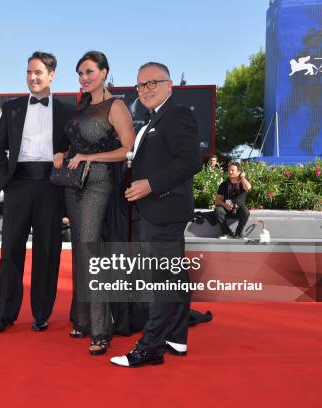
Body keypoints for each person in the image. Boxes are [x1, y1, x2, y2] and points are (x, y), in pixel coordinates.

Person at [110, 62, 202, 368]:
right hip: (159, 210)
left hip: (164, 208)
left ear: (169, 84)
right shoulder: (154, 119)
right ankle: (176, 337)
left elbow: (191, 162)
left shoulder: (177, 114)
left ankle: (150, 347)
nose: (146, 90)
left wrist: (151, 184)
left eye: (153, 83)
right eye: (140, 85)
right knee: (173, 276)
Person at [0, 51, 74, 333]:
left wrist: (65, 155)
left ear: (52, 75)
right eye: (28, 72)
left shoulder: (66, 111)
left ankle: (41, 313)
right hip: (18, 185)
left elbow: (75, 149)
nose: (32, 77)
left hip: (51, 186)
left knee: (47, 251)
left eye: (38, 72)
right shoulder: (11, 107)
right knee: (10, 250)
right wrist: (6, 179)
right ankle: (5, 314)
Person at [64, 51, 135, 355]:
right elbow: (75, 145)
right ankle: (82, 321)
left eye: (90, 71)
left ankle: (101, 329)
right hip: (73, 185)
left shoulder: (115, 105)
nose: (84, 78)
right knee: (80, 250)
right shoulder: (81, 108)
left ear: (104, 72)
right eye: (80, 73)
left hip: (100, 184)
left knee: (93, 251)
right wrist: (62, 153)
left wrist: (90, 157)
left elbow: (128, 149)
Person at [214, 162, 252, 239]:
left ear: (239, 172)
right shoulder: (224, 184)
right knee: (218, 210)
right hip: (227, 209)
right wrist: (225, 205)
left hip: (239, 209)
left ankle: (238, 233)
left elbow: (248, 187)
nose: (230, 172)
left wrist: (242, 177)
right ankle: (227, 233)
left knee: (245, 212)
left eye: (232, 170)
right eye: (229, 170)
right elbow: (217, 200)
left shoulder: (243, 182)